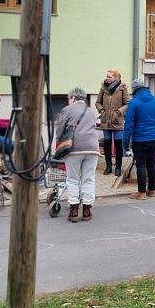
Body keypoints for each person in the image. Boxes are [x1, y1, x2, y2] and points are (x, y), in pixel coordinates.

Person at [55, 88, 99, 223]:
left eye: (69, 98)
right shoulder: (91, 111)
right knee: (89, 178)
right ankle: (87, 210)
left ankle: (74, 210)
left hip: (74, 148)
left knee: (73, 179)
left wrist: (58, 143)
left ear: (73, 97)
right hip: (92, 148)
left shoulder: (67, 109)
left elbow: (60, 129)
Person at [123, 78, 155, 200]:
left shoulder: (134, 102)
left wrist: (126, 143)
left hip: (140, 139)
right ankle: (151, 190)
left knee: (140, 164)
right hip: (153, 139)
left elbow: (128, 124)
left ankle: (141, 193)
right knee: (151, 163)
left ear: (134, 89)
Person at [95, 70, 131, 178]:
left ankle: (118, 167)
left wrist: (119, 112)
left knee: (118, 145)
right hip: (106, 121)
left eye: (110, 76)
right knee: (107, 144)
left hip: (117, 121)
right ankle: (109, 166)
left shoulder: (122, 88)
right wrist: (101, 110)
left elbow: (127, 103)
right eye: (107, 76)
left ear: (116, 78)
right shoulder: (103, 88)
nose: (107, 78)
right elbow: (97, 102)